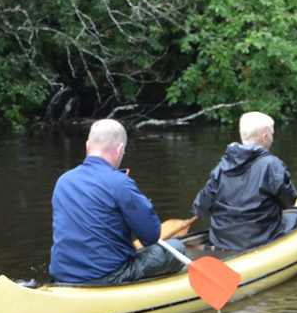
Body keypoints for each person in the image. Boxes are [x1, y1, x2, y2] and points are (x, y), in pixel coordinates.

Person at [50, 118, 195, 284]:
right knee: (177, 247)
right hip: (106, 277)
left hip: (62, 275)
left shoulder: (63, 181)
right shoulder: (120, 183)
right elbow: (151, 236)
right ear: (119, 150)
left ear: (87, 145)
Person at [192, 112, 297, 251]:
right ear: (265, 137)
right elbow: (289, 202)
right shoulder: (272, 165)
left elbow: (200, 207)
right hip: (260, 237)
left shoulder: (221, 168)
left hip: (223, 240)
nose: (272, 137)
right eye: (272, 134)